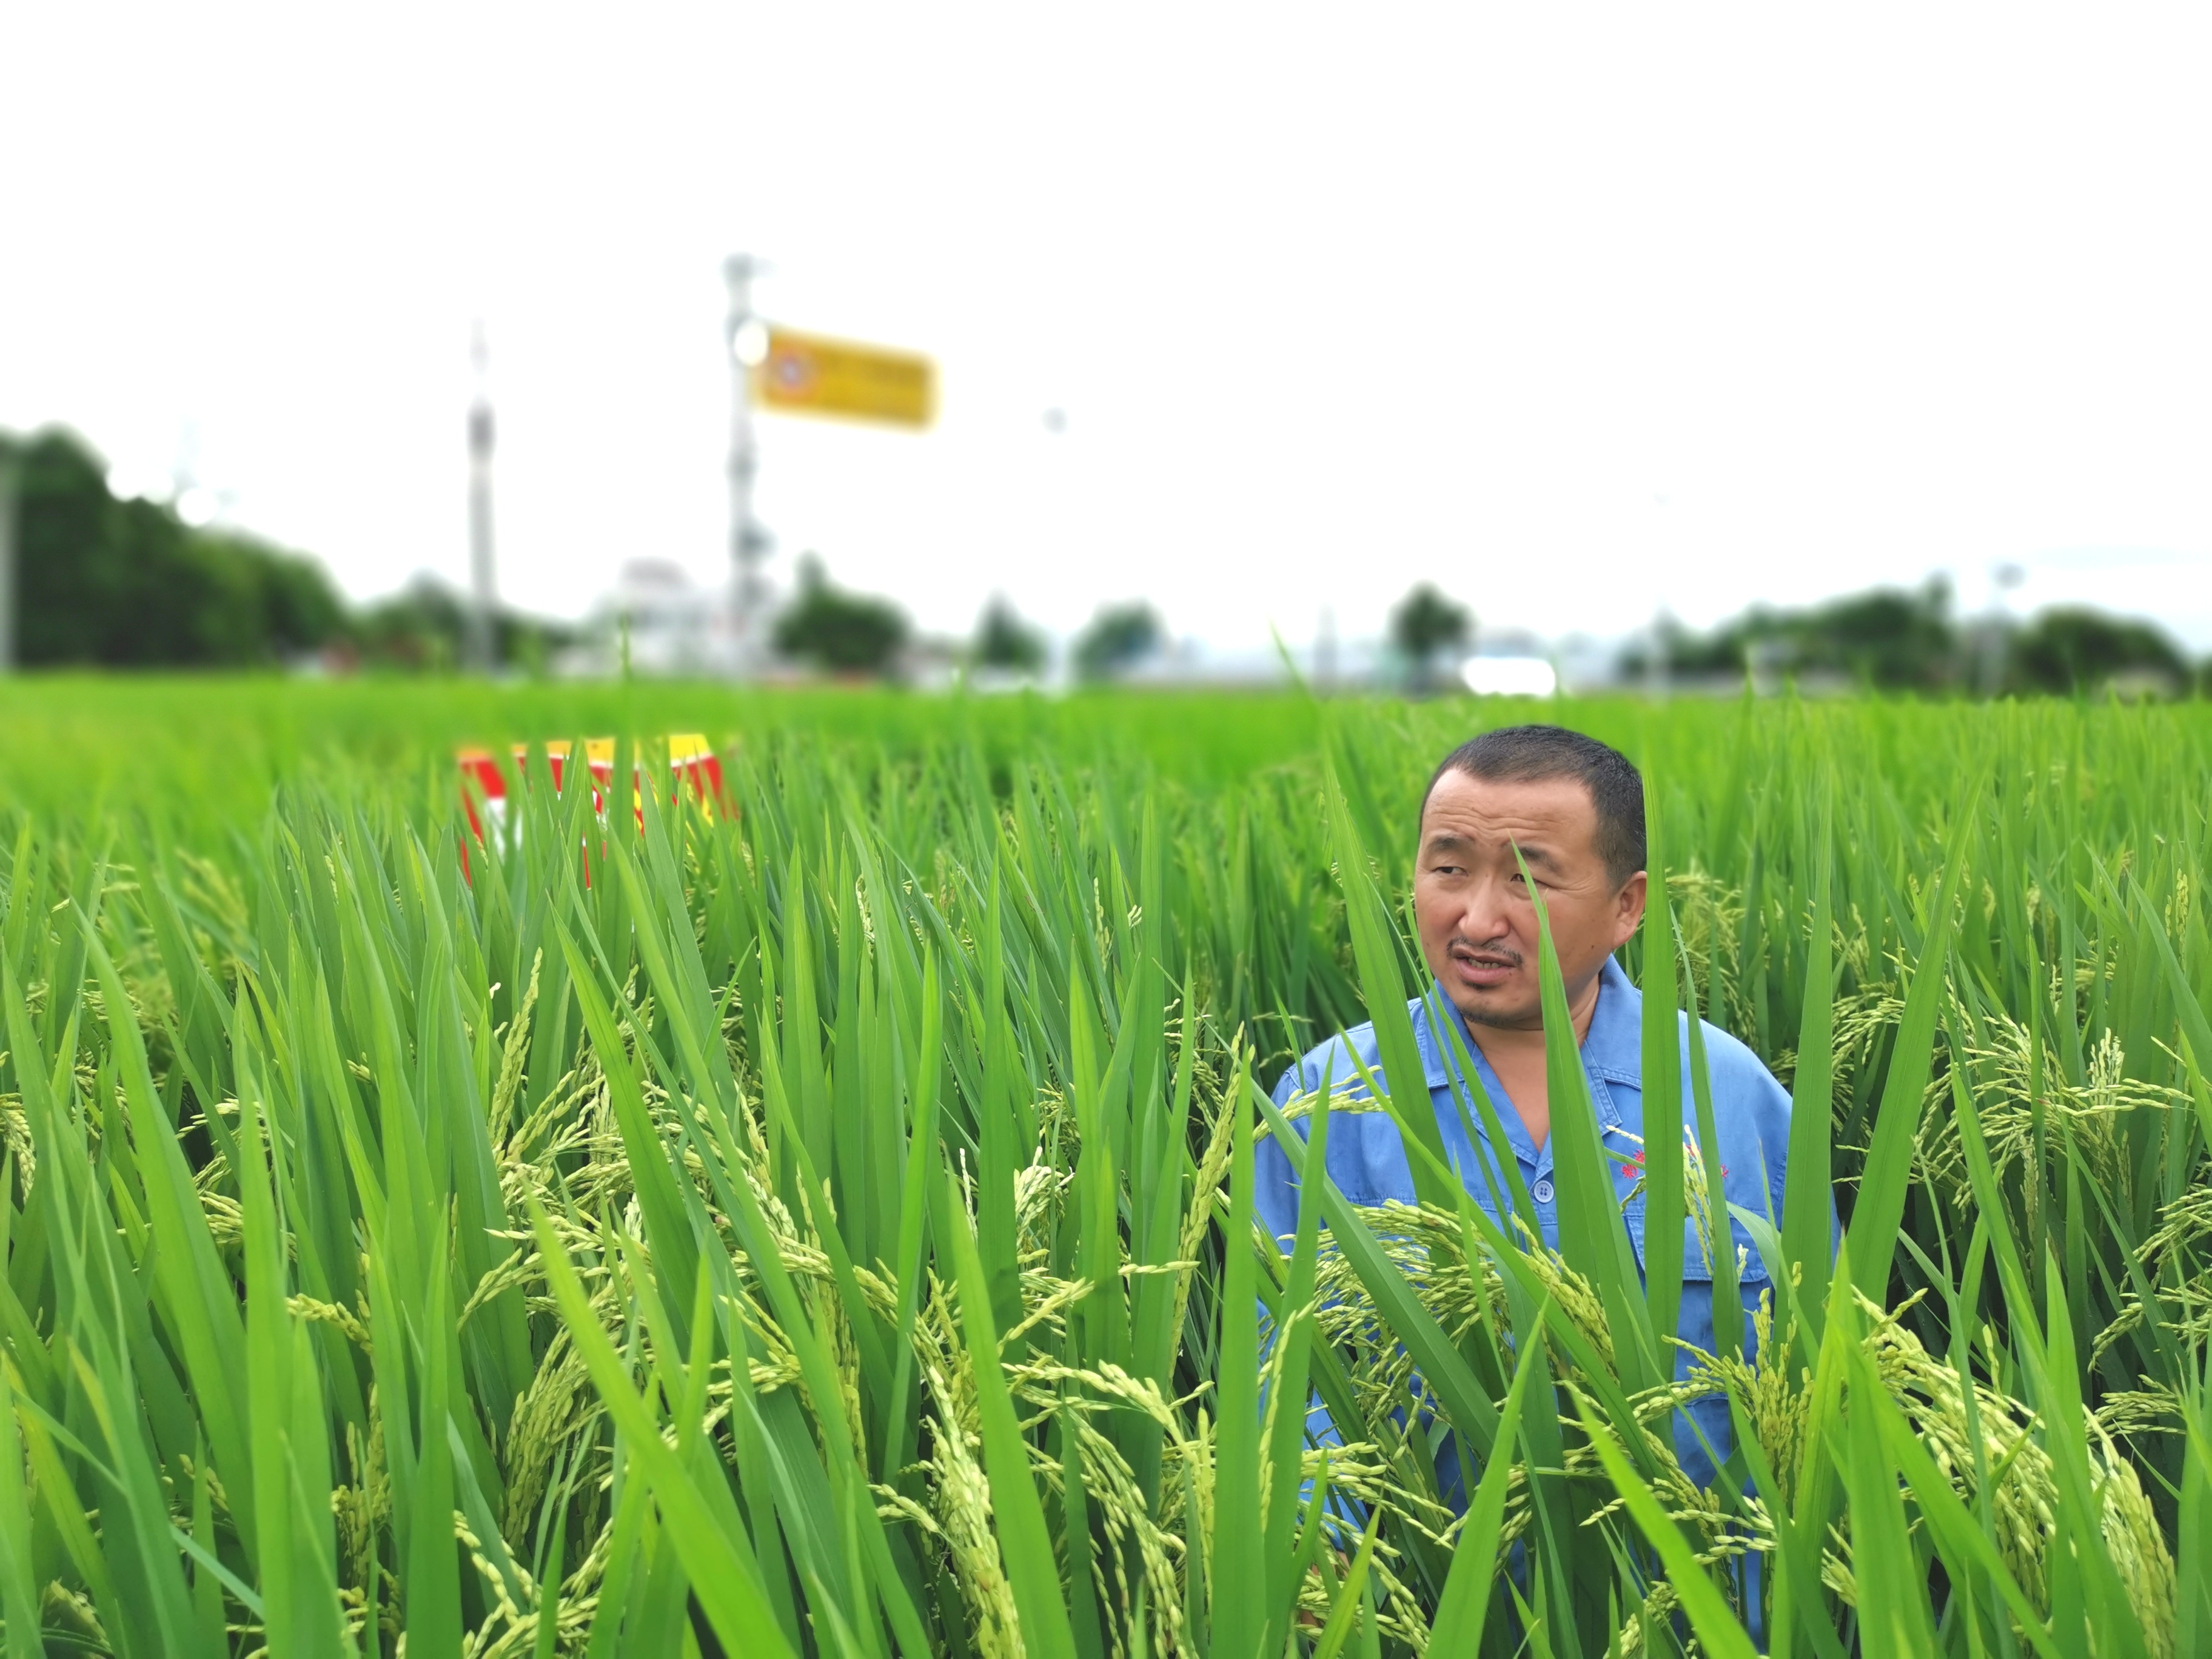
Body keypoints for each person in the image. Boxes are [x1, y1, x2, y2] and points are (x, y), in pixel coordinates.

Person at [1254, 724, 1805, 1491]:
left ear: (1627, 905)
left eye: (1529, 881)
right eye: (1449, 868)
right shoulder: (1328, 1105)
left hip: (1694, 1594)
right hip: (1426, 1593)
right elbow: (1276, 1375)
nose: (1478, 920)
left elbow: (1816, 1362)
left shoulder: (1726, 1093)